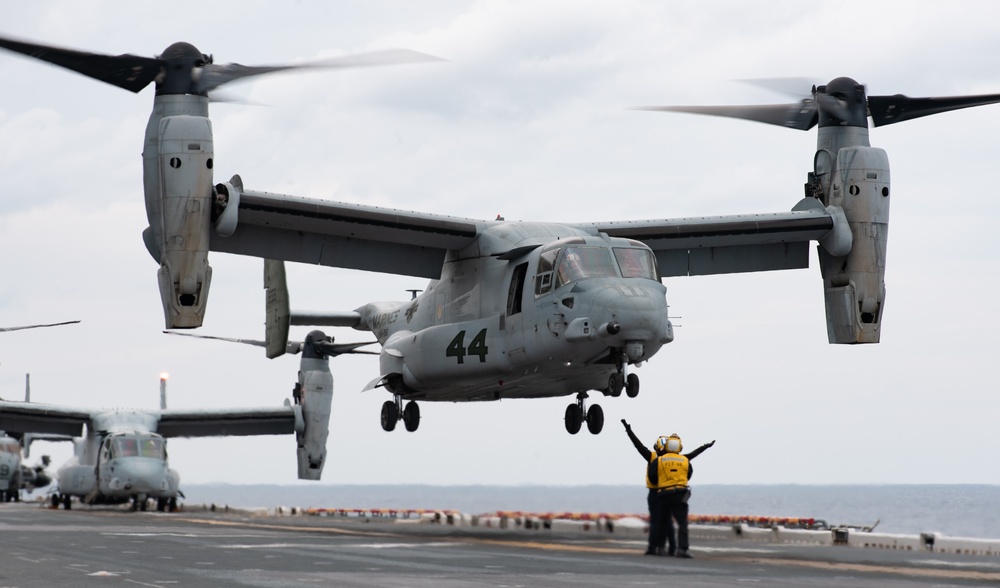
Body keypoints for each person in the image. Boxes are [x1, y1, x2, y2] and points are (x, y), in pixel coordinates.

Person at [622, 419, 715, 558]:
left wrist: (628, 431)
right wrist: (704, 447)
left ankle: (658, 548)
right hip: (676, 492)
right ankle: (675, 549)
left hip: (659, 493)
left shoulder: (655, 458)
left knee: (659, 521)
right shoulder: (680, 459)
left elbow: (639, 447)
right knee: (672, 522)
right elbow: (690, 461)